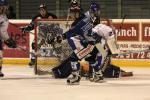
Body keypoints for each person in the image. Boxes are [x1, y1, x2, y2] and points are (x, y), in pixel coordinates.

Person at [65, 2, 103, 85]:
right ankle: (99, 75)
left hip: (90, 44)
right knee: (91, 59)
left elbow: (85, 32)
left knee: (73, 57)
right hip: (93, 43)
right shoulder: (90, 18)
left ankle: (76, 77)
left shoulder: (91, 18)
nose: (98, 13)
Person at [0, 0, 17, 77]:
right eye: (2, 6)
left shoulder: (4, 18)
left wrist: (8, 40)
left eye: (4, 6)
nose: (3, 8)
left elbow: (3, 32)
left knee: (0, 54)